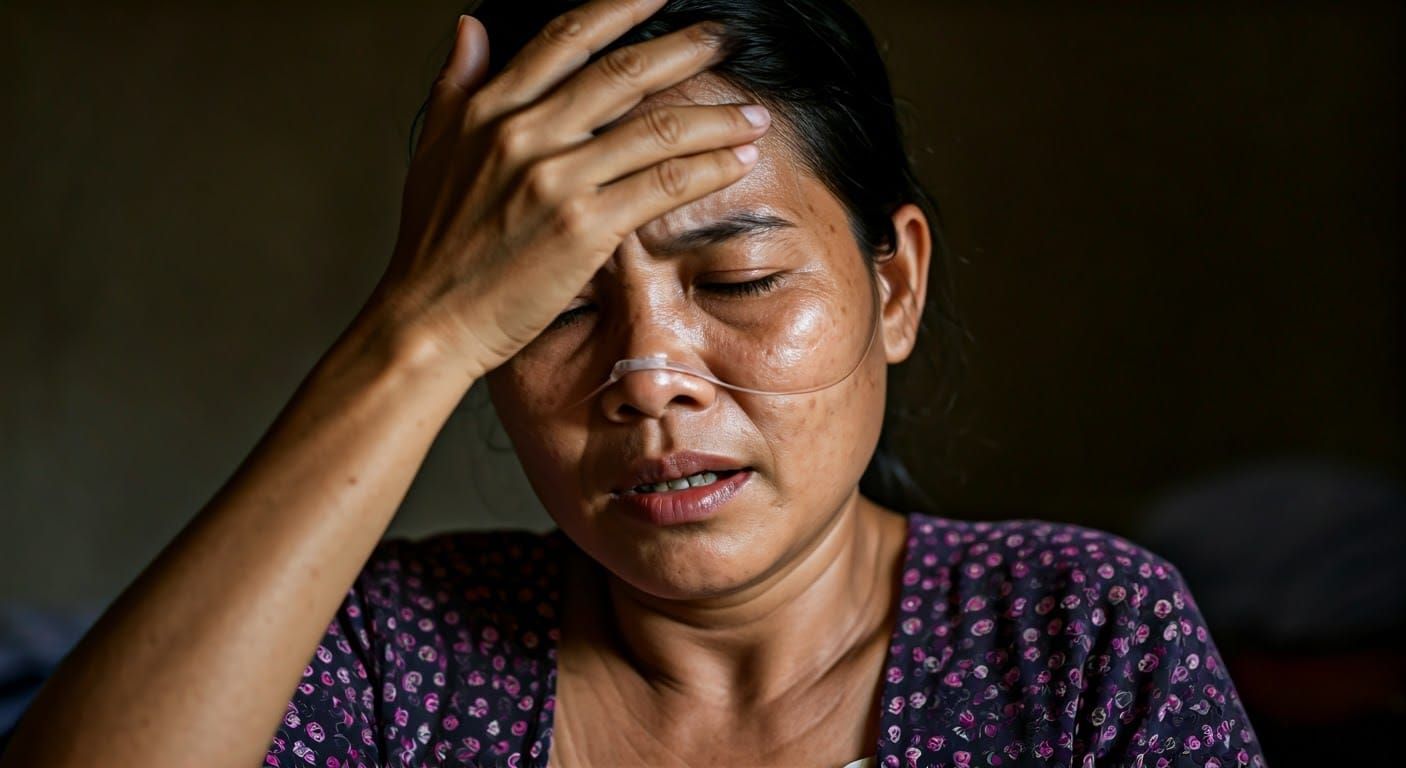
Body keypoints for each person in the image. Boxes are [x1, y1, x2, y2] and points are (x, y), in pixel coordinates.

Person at [0, 1, 1266, 766]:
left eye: (737, 281)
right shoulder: (395, 659)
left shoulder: (1077, 639)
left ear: (894, 288)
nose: (648, 379)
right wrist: (418, 331)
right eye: (551, 306)